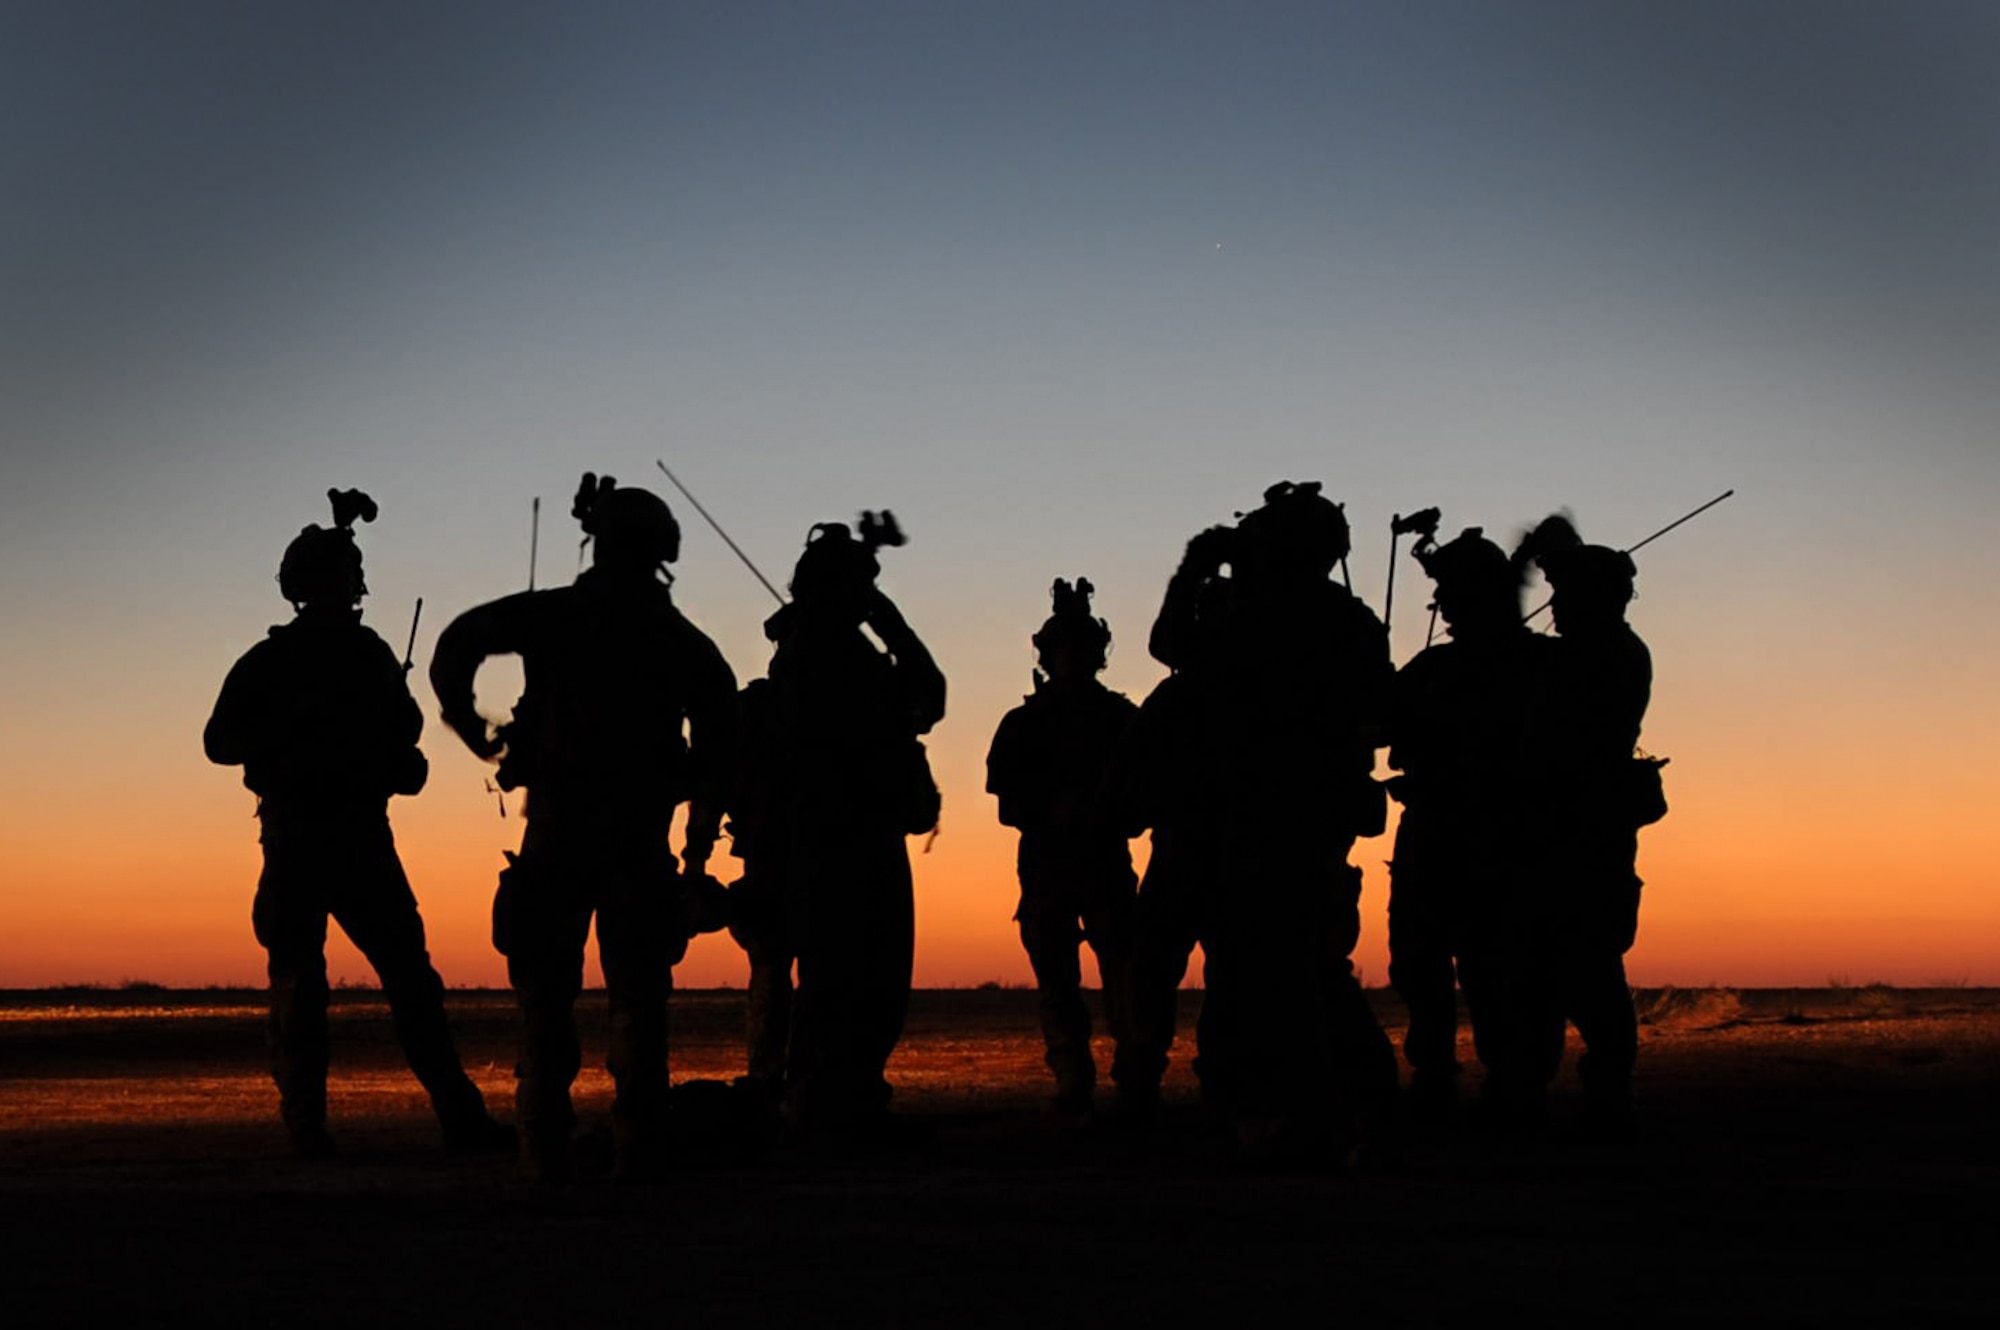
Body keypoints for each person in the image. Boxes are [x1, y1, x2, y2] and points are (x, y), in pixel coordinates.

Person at [429, 473, 737, 1180]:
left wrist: (471, 724)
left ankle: (542, 1152)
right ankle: (639, 1150)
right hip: (635, 843)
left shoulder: (556, 617)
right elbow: (721, 753)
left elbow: (460, 641)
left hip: (559, 838)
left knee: (545, 1005)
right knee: (638, 1004)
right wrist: (693, 855)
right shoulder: (682, 642)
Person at [204, 488, 509, 1160]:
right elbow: (222, 741)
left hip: (345, 838)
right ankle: (324, 1129)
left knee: (386, 982)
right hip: (315, 840)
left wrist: (389, 757)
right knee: (327, 987)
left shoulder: (347, 657)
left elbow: (403, 737)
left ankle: (440, 1121)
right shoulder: (285, 662)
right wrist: (309, 723)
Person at [1123, 481, 1398, 1154]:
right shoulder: (1351, 622)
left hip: (1264, 824)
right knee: (1300, 969)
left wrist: (1195, 567)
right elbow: (1384, 712)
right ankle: (1335, 1102)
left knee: (1269, 974)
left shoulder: (1260, 619)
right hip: (1300, 823)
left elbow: (1169, 643)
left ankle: (1289, 1110)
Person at [751, 513, 945, 1139]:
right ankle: (820, 1102)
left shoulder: (833, 645)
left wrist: (882, 620)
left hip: (861, 830)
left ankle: (844, 1096)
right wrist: (887, 621)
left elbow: (925, 700)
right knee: (843, 978)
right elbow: (926, 696)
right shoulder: (818, 652)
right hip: (834, 835)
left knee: (871, 979)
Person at [1384, 527, 1546, 1122]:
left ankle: (1507, 1082)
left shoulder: (1532, 666)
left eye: (1453, 593)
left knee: (1491, 964)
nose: (1443, 605)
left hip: (1496, 838)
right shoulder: (1432, 667)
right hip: (1431, 834)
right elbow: (1381, 725)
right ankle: (1438, 1076)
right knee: (1419, 962)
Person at [1512, 517, 1661, 1134]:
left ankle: (1598, 1097)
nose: (1556, 604)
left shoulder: (1598, 656)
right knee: (1554, 971)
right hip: (1571, 833)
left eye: (1567, 594)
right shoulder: (1603, 649)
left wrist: (1539, 556)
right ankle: (1563, 1096)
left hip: (1579, 834)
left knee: (1585, 970)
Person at [986, 578, 1142, 1120]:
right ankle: (1074, 1078)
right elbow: (1008, 807)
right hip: (1049, 866)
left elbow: (1144, 803)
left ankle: (1134, 1079)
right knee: (1059, 981)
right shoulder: (1024, 724)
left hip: (1103, 861)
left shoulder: (1124, 720)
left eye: (1083, 649)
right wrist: (1055, 811)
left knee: (1125, 976)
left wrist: (1105, 813)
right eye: (1066, 649)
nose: (1074, 659)